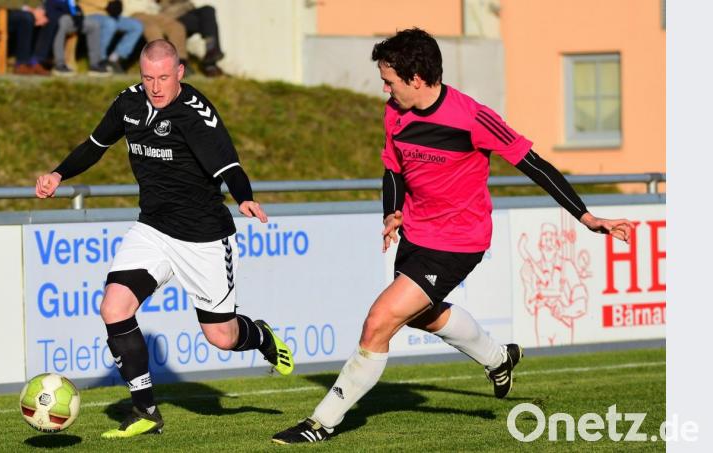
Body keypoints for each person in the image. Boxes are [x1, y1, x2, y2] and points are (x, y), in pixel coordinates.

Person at [271, 28, 634, 444]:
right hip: (416, 234)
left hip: (460, 240)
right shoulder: (395, 112)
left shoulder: (472, 117)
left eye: (389, 80)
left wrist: (585, 216)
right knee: (422, 314)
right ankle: (498, 358)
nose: (385, 89)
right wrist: (392, 210)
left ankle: (322, 421)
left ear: (417, 79)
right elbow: (393, 168)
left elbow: (534, 164)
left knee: (379, 322)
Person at [35, 39, 294, 438]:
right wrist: (58, 174)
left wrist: (244, 197)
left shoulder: (196, 115)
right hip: (153, 229)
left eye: (163, 77)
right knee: (113, 307)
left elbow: (231, 166)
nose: (155, 87)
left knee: (221, 338)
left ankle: (258, 334)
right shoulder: (129, 104)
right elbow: (94, 146)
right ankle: (146, 411)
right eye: (147, 77)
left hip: (203, 237)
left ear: (179, 73)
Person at [0, 0, 51, 75]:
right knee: (26, 18)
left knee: (44, 19)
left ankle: (34, 61)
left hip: (20, 12)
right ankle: (21, 63)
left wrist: (38, 10)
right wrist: (29, 10)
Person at [123, 0, 189, 74]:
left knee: (177, 27)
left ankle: (180, 61)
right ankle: (162, 62)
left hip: (154, 13)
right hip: (134, 13)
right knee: (153, 29)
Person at [161, 0, 225, 76]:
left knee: (208, 10)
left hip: (187, 12)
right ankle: (210, 65)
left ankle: (211, 51)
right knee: (206, 22)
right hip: (171, 16)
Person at [47, 0, 110, 76]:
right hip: (58, 16)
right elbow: (53, 5)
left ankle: (95, 64)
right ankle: (59, 64)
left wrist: (78, 14)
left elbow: (74, 6)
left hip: (73, 19)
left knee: (94, 25)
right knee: (60, 23)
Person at [80, 0, 144, 74]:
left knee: (136, 26)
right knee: (110, 23)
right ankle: (100, 60)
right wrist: (107, 5)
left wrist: (117, 5)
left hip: (109, 15)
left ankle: (114, 59)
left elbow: (116, 5)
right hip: (89, 14)